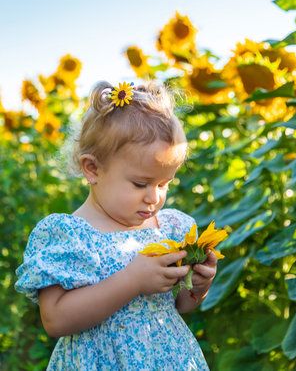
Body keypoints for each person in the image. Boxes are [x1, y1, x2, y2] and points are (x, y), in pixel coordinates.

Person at [15, 81, 218, 370]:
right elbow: (56, 320)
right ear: (93, 168)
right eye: (140, 183)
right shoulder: (69, 236)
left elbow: (181, 305)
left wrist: (199, 284)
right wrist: (132, 281)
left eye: (164, 183)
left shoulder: (170, 227)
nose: (154, 197)